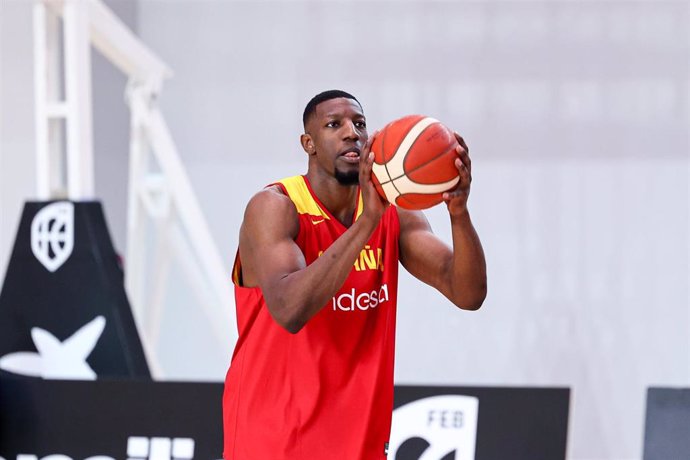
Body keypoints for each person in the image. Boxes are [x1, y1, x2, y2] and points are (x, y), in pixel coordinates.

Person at [223, 90, 487, 459]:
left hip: (357, 444)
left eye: (359, 124)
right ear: (308, 144)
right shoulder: (274, 207)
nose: (352, 133)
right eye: (335, 124)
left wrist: (458, 212)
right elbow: (290, 310)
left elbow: (467, 293)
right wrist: (366, 224)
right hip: (275, 441)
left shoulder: (394, 214)